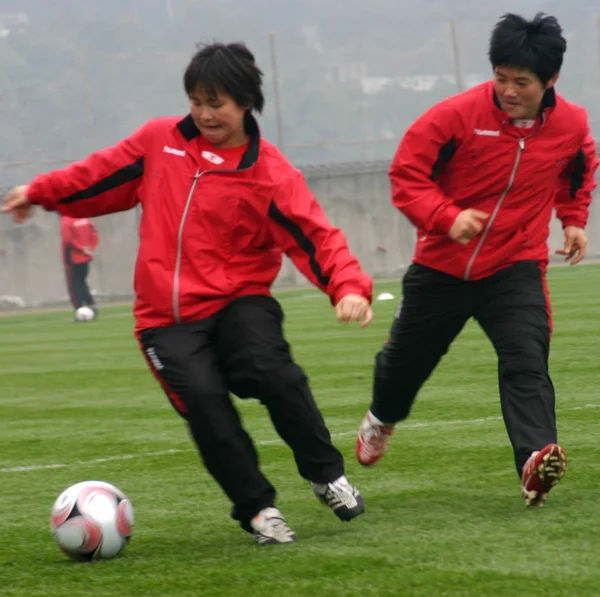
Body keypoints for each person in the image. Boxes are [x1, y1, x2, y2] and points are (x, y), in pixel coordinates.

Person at [2, 42, 374, 544]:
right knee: (204, 403)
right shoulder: (160, 142)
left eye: (216, 103)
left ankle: (326, 475)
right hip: (165, 319)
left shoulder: (269, 173)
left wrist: (347, 287)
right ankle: (258, 511)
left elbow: (316, 236)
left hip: (239, 300)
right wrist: (41, 191)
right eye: (196, 101)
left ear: (245, 102)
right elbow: (97, 175)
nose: (203, 113)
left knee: (273, 372)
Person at [356, 13, 598, 508]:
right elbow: (406, 174)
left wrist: (572, 218)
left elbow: (578, 165)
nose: (508, 90)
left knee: (526, 361)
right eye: (501, 77)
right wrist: (445, 217)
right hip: (442, 267)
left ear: (550, 81)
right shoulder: (454, 116)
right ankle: (382, 416)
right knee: (404, 366)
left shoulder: (571, 122)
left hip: (516, 266)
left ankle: (535, 462)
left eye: (521, 82)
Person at [60, 215, 99, 320]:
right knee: (82, 282)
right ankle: (91, 306)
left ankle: (80, 310)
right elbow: (94, 234)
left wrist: (81, 249)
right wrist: (90, 248)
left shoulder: (67, 220)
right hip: (86, 257)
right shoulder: (84, 218)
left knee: (74, 285)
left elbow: (68, 240)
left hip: (73, 258)